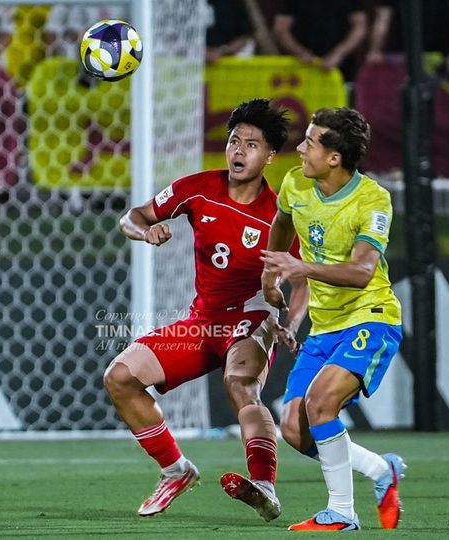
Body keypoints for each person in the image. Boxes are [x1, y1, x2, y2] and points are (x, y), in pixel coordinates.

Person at [104, 99, 297, 522]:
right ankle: (176, 471)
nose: (238, 151)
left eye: (251, 144)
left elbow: (301, 280)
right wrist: (144, 231)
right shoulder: (198, 187)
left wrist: (290, 320)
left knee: (241, 386)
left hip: (251, 317)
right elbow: (131, 217)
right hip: (203, 321)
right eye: (233, 141)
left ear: (269, 155)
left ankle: (264, 485)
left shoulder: (279, 216)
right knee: (120, 377)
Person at [260, 107, 406, 531]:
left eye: (309, 142)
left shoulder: (373, 200)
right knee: (294, 428)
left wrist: (300, 268)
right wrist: (271, 278)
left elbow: (362, 272)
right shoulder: (295, 184)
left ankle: (342, 512)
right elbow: (282, 224)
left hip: (370, 317)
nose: (300, 149)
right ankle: (380, 469)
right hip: (324, 326)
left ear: (334, 157)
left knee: (321, 403)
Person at [273, 0, 367, 82]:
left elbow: (360, 28)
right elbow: (281, 28)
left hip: (341, 69)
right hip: (302, 69)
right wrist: (299, 52)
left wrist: (339, 54)